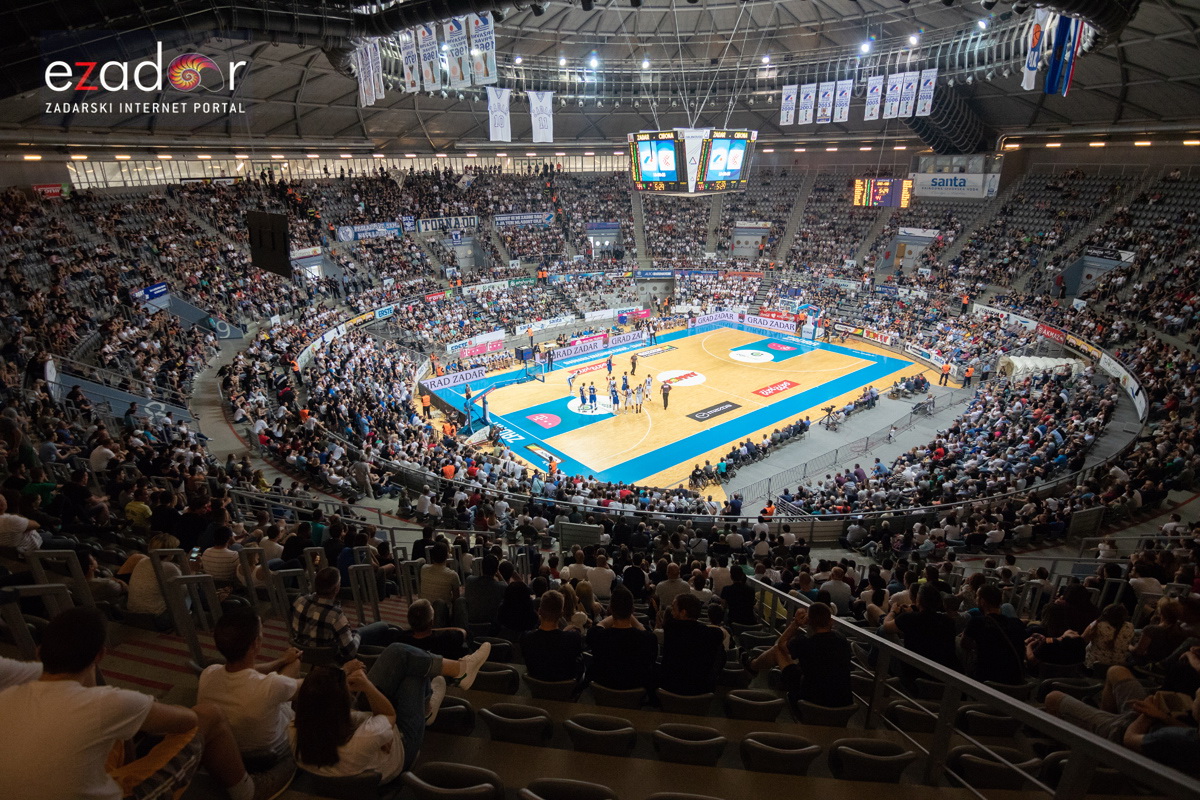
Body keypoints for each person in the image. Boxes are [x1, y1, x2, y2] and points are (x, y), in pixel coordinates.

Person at [0, 606, 260, 800]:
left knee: (118, 733)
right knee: (209, 713)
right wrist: (147, 707)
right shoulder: (111, 703)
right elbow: (189, 722)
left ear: (38, 652)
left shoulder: (6, 697)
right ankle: (247, 790)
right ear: (100, 655)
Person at [290, 641, 491, 782]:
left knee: (401, 655)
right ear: (340, 706)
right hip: (402, 747)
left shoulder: (296, 733)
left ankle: (454, 675)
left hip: (369, 740)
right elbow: (388, 716)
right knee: (415, 671)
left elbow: (324, 701)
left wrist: (343, 674)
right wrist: (367, 686)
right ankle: (455, 675)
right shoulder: (363, 739)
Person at [1045, 664, 1200, 772]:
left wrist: (1149, 715)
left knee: (1053, 697)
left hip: (1125, 734)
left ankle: (1094, 738)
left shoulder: (1172, 739)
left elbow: (1129, 739)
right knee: (1116, 671)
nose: (1196, 693)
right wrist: (1162, 716)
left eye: (1198, 697)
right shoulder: (1190, 736)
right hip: (1153, 721)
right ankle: (1103, 720)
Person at [198, 606, 302, 762]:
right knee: (296, 667)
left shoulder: (208, 674)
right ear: (255, 644)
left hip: (229, 750)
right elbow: (312, 685)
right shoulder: (271, 686)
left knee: (290, 666)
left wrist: (281, 661)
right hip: (276, 752)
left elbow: (247, 671)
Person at [752, 603, 852, 707]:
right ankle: (752, 666)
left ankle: (753, 666)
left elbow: (780, 644)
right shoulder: (842, 640)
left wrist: (795, 624)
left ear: (809, 622)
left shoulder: (804, 642)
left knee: (777, 650)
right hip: (844, 702)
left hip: (810, 701)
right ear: (831, 621)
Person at [291, 567, 396, 661]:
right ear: (336, 588)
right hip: (331, 659)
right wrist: (356, 634)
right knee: (383, 626)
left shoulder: (299, 601)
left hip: (304, 655)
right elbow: (350, 652)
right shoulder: (335, 615)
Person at [885, 583, 961, 685]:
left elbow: (886, 626)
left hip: (914, 675)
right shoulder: (949, 621)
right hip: (943, 677)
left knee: (882, 631)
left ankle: (871, 661)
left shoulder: (909, 618)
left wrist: (893, 612)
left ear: (919, 600)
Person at [586, 585, 658, 691]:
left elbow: (598, 626)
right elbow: (647, 635)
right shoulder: (647, 639)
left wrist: (617, 613)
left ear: (610, 609)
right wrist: (629, 615)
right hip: (635, 688)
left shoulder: (598, 636)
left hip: (603, 687)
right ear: (632, 610)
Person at [659, 593, 725, 696]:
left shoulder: (670, 628)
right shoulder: (712, 634)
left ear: (683, 613)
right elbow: (722, 633)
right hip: (701, 690)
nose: (672, 611)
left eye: (673, 608)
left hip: (670, 688)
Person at [961, 584, 1028, 685]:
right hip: (1015, 680)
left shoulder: (977, 622)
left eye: (977, 597)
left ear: (982, 601)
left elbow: (964, 644)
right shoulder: (1016, 623)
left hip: (986, 679)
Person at [521, 590, 584, 683]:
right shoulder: (573, 638)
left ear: (539, 611)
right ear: (561, 614)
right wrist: (566, 632)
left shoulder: (526, 638)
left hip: (536, 689)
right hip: (566, 691)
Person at [392, 599, 468, 658]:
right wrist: (441, 630)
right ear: (431, 622)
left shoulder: (400, 639)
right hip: (451, 652)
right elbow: (463, 632)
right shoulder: (446, 638)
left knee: (439, 603)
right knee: (460, 601)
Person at [419, 542, 467, 628]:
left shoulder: (424, 569)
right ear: (447, 556)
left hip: (424, 613)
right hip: (443, 615)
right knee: (461, 600)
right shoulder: (452, 575)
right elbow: (456, 598)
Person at [465, 554, 506, 630]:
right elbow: (508, 588)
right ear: (496, 569)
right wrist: (499, 574)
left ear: (482, 567)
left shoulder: (469, 580)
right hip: (492, 626)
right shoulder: (502, 586)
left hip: (471, 624)